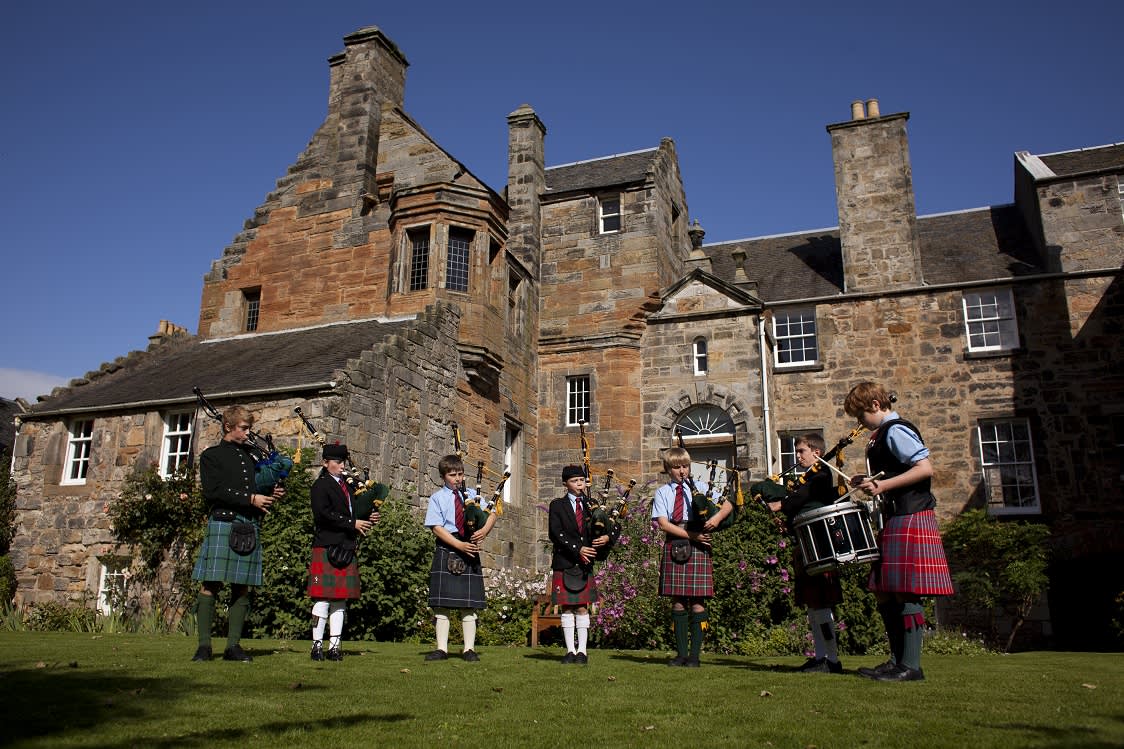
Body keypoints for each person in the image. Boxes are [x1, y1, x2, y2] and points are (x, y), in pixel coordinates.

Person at [844, 381, 954, 682]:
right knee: (885, 591)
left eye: (860, 416)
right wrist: (868, 479)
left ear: (876, 406)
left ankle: (911, 665)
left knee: (906, 590)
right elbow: (895, 471)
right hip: (895, 516)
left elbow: (924, 469)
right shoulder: (882, 435)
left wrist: (881, 485)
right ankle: (896, 661)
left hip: (911, 514)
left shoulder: (897, 430)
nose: (860, 424)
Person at [190, 405, 285, 662]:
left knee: (241, 586)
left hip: (248, 522)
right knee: (210, 583)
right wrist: (250, 498)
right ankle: (204, 646)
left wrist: (269, 493)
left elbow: (258, 484)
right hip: (224, 521)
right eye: (244, 428)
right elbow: (213, 492)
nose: (248, 433)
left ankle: (233, 646)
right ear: (228, 427)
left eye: (249, 428)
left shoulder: (252, 456)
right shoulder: (212, 456)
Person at [766, 433, 845, 674]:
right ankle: (819, 655)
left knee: (821, 603)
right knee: (813, 605)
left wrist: (781, 504)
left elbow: (797, 500)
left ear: (816, 453)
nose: (798, 456)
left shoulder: (820, 476)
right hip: (807, 543)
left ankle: (831, 659)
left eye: (801, 451)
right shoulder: (809, 478)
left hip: (819, 544)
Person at [652, 446, 733, 667]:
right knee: (677, 602)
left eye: (685, 466)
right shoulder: (662, 493)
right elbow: (663, 523)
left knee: (698, 602)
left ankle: (695, 656)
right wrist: (692, 536)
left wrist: (716, 520)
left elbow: (727, 504)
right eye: (677, 467)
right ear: (668, 469)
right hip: (676, 541)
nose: (682, 471)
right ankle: (681, 655)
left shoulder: (701, 488)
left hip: (699, 546)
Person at [307, 443, 377, 662]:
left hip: (346, 545)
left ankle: (334, 646)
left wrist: (367, 518)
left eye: (343, 462)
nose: (341, 466)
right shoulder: (321, 485)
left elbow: (355, 513)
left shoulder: (349, 487)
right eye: (337, 462)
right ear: (325, 463)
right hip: (327, 545)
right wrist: (352, 523)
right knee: (322, 599)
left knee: (340, 600)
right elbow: (323, 515)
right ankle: (316, 646)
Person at [423, 454, 496, 662]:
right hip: (448, 545)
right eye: (453, 475)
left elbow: (491, 514)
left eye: (461, 474)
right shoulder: (437, 497)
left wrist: (484, 532)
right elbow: (436, 527)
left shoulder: (473, 494)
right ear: (443, 476)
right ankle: (441, 649)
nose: (458, 479)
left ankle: (469, 649)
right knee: (442, 604)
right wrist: (459, 545)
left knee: (469, 604)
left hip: (470, 546)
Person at [548, 465, 618, 664]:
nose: (579, 484)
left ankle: (583, 652)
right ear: (565, 484)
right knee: (567, 608)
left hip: (585, 564)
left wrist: (607, 537)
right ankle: (570, 651)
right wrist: (577, 548)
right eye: (574, 481)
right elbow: (555, 533)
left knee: (582, 607)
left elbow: (614, 526)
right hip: (565, 561)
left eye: (581, 480)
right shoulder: (557, 505)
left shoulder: (593, 505)